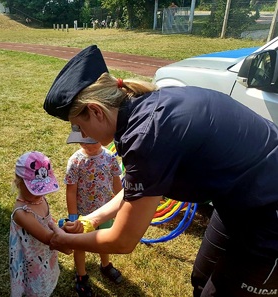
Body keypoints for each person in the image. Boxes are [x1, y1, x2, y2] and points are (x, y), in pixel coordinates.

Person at [43, 45, 278, 296]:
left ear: (96, 111)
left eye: (79, 126)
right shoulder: (139, 111)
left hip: (268, 217)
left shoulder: (146, 135)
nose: (83, 135)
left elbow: (123, 240)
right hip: (239, 200)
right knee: (201, 279)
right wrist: (91, 220)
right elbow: (141, 188)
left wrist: (61, 240)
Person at [9, 151, 80, 297]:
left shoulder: (40, 199)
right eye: (34, 189)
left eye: (42, 188)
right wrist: (67, 235)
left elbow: (48, 226)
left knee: (47, 277)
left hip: (46, 254)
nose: (39, 194)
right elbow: (48, 238)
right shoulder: (22, 213)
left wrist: (63, 229)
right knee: (35, 288)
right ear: (18, 182)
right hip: (33, 259)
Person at [64, 127, 123, 296]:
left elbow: (116, 182)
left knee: (103, 240)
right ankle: (81, 276)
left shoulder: (110, 158)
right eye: (84, 142)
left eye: (94, 142)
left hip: (105, 210)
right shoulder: (75, 161)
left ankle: (105, 265)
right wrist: (73, 217)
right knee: (79, 245)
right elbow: (71, 191)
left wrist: (120, 205)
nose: (89, 147)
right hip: (83, 215)